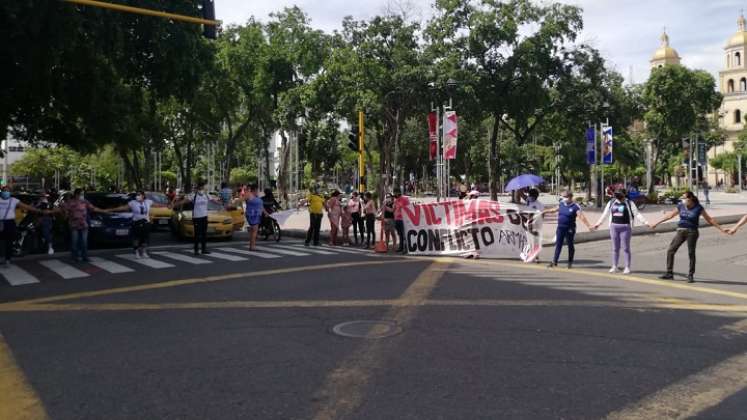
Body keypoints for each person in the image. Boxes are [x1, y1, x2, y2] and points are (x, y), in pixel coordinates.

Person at [652, 191, 726, 283]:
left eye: (685, 198)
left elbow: (709, 219)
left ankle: (690, 275)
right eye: (682, 198)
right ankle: (669, 273)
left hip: (692, 232)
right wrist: (656, 223)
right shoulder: (680, 206)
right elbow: (670, 215)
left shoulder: (698, 207)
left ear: (690, 198)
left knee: (691, 253)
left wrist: (721, 229)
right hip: (681, 231)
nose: (683, 200)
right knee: (671, 250)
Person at [592, 189, 652, 274]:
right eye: (616, 195)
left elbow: (637, 214)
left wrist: (646, 223)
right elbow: (605, 214)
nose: (618, 197)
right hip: (614, 227)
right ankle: (614, 266)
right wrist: (598, 224)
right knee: (615, 248)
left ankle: (627, 267)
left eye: (620, 195)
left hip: (625, 227)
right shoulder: (612, 202)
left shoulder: (629, 203)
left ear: (624, 195)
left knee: (626, 248)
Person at [46, 188, 109, 263]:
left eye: (82, 194)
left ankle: (84, 257)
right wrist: (50, 211)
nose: (81, 196)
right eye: (80, 194)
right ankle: (74, 257)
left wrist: (104, 211)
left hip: (83, 225)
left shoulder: (85, 202)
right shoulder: (70, 203)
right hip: (74, 225)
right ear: (76, 195)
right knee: (74, 242)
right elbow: (60, 208)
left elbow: (93, 208)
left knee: (84, 242)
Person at [542, 190, 593, 269]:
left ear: (570, 197)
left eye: (565, 197)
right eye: (562, 196)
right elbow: (554, 210)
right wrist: (545, 211)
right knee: (558, 244)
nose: (563, 198)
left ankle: (570, 262)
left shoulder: (575, 206)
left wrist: (589, 226)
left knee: (570, 245)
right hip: (560, 227)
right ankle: (554, 262)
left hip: (570, 228)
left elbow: (582, 217)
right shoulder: (561, 204)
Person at [0, 186, 43, 266]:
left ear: (10, 192)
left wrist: (38, 210)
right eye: (4, 191)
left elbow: (27, 207)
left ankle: (7, 260)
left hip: (9, 223)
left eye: (7, 191)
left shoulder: (14, 201)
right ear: (1, 192)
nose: (6, 192)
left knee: (8, 243)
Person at [109, 191, 154, 259]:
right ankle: (136, 252)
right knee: (137, 238)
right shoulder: (133, 203)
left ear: (143, 196)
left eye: (139, 195)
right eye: (137, 195)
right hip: (136, 222)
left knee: (145, 238)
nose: (137, 196)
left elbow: (157, 205)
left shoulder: (148, 202)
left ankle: (144, 252)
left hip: (146, 222)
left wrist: (168, 205)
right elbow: (123, 207)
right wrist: (112, 209)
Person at [172, 181, 211, 255]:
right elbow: (184, 201)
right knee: (197, 234)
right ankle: (196, 250)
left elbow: (214, 200)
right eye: (205, 186)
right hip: (197, 217)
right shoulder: (194, 195)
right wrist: (174, 205)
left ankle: (204, 249)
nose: (206, 187)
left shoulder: (206, 194)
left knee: (204, 234)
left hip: (204, 216)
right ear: (201, 187)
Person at [244, 185, 268, 251]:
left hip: (257, 215)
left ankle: (251, 246)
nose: (258, 191)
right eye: (257, 190)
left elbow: (261, 206)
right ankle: (252, 246)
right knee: (254, 231)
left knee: (253, 231)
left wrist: (265, 213)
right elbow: (240, 200)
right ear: (254, 190)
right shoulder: (249, 195)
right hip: (251, 215)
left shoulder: (257, 196)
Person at [393, 188, 410, 254]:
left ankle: (406, 248)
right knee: (400, 234)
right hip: (397, 219)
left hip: (403, 219)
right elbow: (394, 209)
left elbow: (408, 208)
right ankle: (401, 247)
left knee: (404, 234)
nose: (394, 194)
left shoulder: (405, 199)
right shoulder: (396, 200)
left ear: (398, 193)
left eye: (395, 193)